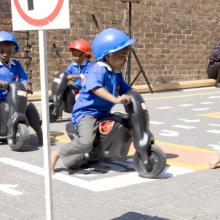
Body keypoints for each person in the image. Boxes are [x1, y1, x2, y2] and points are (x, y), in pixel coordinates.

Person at [51, 28, 135, 173]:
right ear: (108, 56)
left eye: (126, 56)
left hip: (102, 112)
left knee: (123, 124)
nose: (124, 60)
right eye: (121, 56)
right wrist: (115, 99)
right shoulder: (98, 69)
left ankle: (99, 152)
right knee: (85, 142)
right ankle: (57, 153)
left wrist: (135, 96)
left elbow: (127, 89)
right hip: (86, 113)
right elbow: (96, 88)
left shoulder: (116, 73)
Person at [0, 31, 28, 134]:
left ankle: (37, 127)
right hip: (1, 98)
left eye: (9, 52)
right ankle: (3, 130)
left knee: (29, 107)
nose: (5, 54)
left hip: (14, 97)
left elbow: (23, 78)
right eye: (1, 51)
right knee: (5, 108)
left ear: (13, 51)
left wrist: (25, 85)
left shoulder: (16, 64)